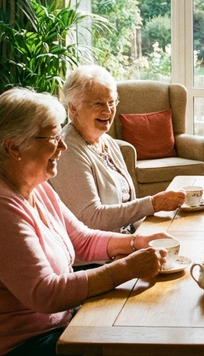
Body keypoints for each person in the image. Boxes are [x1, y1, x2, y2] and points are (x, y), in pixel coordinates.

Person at [0, 88, 175, 356]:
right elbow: (45, 293)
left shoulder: (35, 186)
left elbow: (82, 239)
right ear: (14, 146)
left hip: (48, 325)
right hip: (7, 347)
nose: (62, 146)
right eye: (53, 137)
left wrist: (135, 242)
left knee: (140, 322)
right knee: (134, 346)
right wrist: (127, 268)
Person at [50, 65, 185, 233]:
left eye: (111, 102)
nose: (107, 110)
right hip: (99, 255)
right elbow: (91, 219)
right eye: (98, 103)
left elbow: (127, 205)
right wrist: (153, 204)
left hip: (126, 238)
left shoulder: (107, 142)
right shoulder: (68, 151)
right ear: (73, 107)